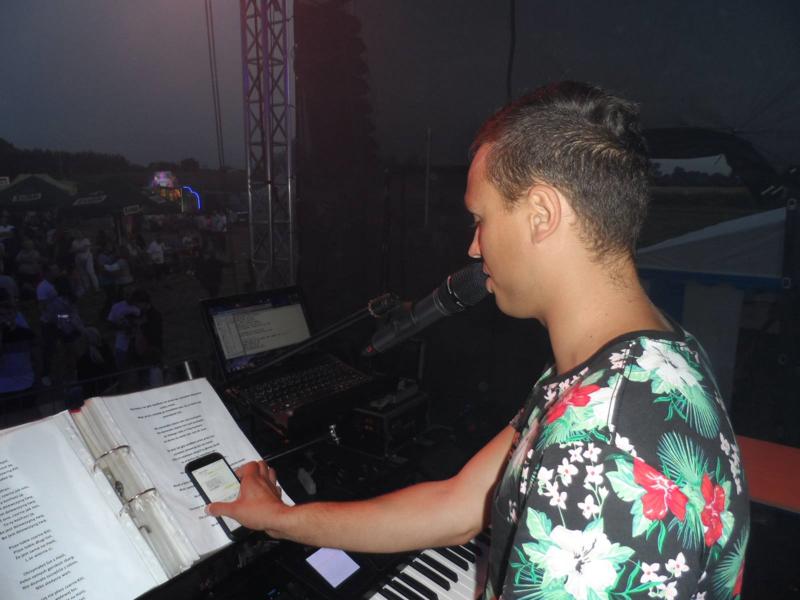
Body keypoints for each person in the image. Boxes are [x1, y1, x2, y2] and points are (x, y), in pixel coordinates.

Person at [209, 82, 750, 599]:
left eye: (481, 219)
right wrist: (281, 520)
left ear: (541, 215)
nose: (473, 247)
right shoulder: (639, 361)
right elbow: (458, 505)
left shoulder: (600, 444)